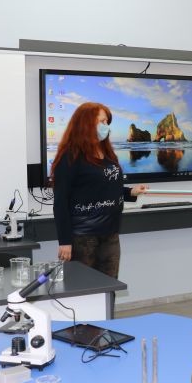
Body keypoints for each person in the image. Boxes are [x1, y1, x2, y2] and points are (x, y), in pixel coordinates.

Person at [51, 102, 148, 281]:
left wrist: (130, 192)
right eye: (102, 122)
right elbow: (60, 201)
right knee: (83, 289)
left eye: (107, 122)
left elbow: (105, 188)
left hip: (110, 234)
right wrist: (64, 241)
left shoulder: (107, 154)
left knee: (109, 287)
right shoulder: (70, 156)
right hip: (83, 238)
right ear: (86, 123)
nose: (106, 126)